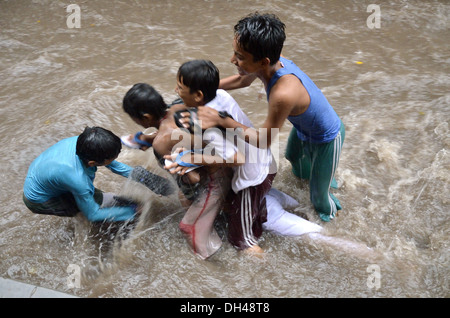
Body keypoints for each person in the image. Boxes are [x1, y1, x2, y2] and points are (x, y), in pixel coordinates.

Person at [183, 13, 345, 222]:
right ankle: (320, 176)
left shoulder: (282, 94)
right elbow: (242, 81)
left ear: (263, 61)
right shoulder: (270, 62)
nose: (233, 60)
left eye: (239, 57)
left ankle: (332, 216)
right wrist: (202, 89)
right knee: (293, 158)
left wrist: (221, 119)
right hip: (303, 126)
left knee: (318, 198)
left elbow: (263, 141)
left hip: (328, 137)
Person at [121, 70, 244, 259]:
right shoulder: (180, 106)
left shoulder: (161, 143)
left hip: (217, 180)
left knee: (187, 219)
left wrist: (186, 181)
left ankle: (214, 257)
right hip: (230, 161)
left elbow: (191, 178)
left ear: (145, 118)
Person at [23, 126, 139, 222]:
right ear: (92, 163)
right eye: (112, 158)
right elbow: (93, 215)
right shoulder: (78, 179)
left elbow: (114, 165)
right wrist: (135, 211)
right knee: (98, 208)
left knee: (103, 200)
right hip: (39, 200)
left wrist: (148, 179)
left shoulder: (86, 143)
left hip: (48, 176)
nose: (114, 160)